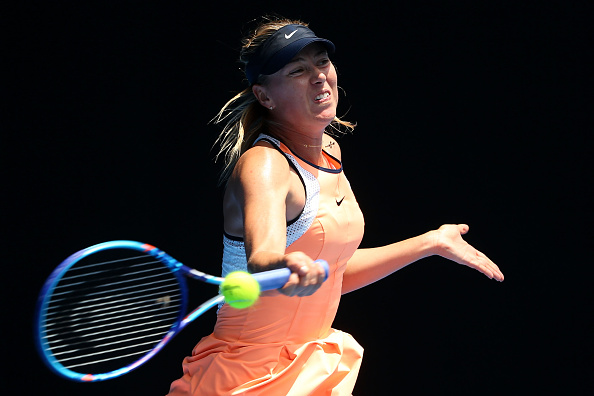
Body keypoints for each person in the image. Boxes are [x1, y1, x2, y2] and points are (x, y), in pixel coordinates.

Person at [166, 17, 504, 396]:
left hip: (307, 365)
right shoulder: (264, 164)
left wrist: (430, 243)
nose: (318, 77)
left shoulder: (330, 152)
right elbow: (262, 256)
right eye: (297, 70)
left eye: (322, 62)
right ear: (265, 96)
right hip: (246, 376)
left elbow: (333, 272)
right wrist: (284, 265)